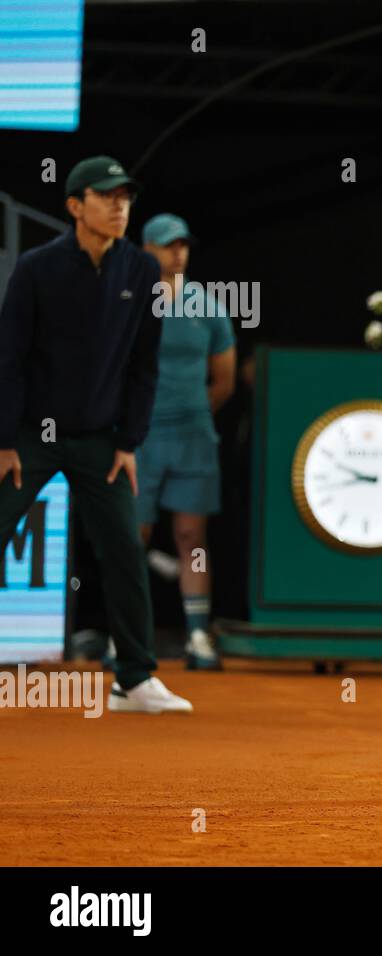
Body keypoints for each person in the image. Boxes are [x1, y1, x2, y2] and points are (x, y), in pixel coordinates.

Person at [0, 155, 193, 713]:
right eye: (106, 196)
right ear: (74, 206)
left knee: (124, 552)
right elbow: (8, 357)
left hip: (100, 441)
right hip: (30, 436)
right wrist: (5, 438)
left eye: (125, 198)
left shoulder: (140, 270)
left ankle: (133, 680)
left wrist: (129, 441)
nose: (118, 206)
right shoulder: (36, 268)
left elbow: (143, 363)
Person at [138, 213, 236, 670]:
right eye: (166, 244)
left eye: (183, 245)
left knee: (191, 536)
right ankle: (128, 637)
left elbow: (224, 380)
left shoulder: (211, 305)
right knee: (132, 536)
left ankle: (198, 637)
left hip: (195, 436)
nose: (177, 252)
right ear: (146, 251)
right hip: (139, 438)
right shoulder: (127, 302)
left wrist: (189, 414)